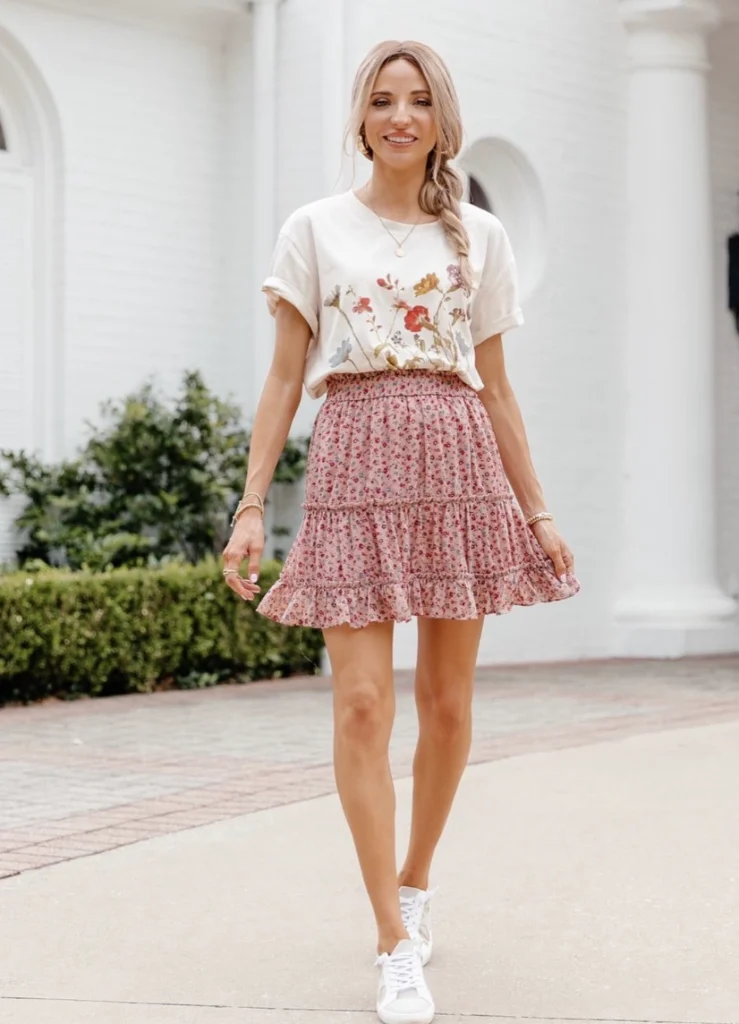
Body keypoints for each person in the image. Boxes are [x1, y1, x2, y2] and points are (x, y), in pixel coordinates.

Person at [222, 38, 580, 1024]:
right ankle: (391, 938)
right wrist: (251, 506)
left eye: (417, 100)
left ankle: (415, 880)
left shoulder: (478, 235)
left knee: (450, 706)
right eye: (381, 99)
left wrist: (539, 513)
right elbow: (285, 379)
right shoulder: (315, 228)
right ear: (360, 115)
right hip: (353, 461)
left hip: (458, 465)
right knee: (363, 708)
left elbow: (499, 389)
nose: (398, 116)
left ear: (439, 116)